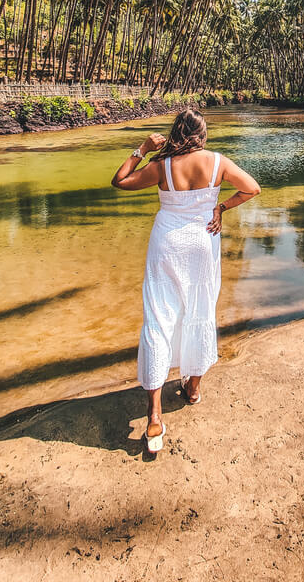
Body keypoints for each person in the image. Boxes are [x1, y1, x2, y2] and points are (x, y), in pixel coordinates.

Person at [111, 108, 261, 452]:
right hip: (201, 243)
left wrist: (142, 148)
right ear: (202, 134)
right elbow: (251, 188)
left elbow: (119, 181)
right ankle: (192, 389)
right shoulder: (218, 162)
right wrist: (220, 208)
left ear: (176, 131)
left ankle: (154, 415)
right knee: (200, 310)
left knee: (159, 320)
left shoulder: (162, 166)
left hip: (166, 244)